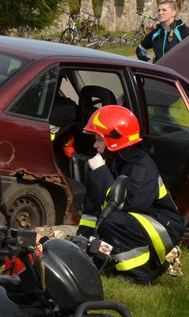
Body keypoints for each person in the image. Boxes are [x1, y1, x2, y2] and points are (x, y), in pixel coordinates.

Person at [77, 105, 185, 283]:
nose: (94, 145)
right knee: (107, 220)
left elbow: (125, 203)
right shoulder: (113, 163)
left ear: (114, 141)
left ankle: (140, 274)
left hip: (163, 225)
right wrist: (80, 242)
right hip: (141, 221)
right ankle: (121, 265)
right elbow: (92, 209)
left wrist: (100, 173)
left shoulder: (141, 166)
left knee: (111, 221)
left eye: (98, 140)